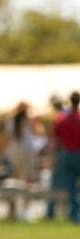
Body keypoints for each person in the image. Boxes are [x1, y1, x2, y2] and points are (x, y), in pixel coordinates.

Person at [52, 91, 80, 223]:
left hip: (67, 155)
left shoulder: (62, 119)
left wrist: (56, 156)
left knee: (71, 187)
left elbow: (56, 140)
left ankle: (75, 213)